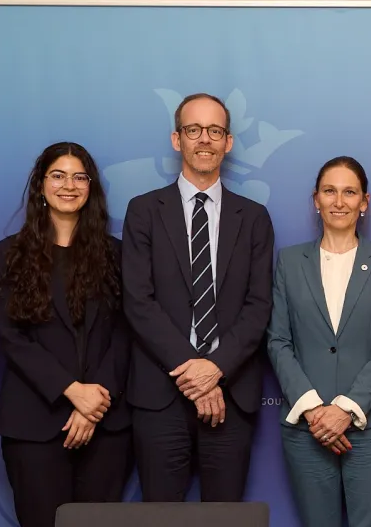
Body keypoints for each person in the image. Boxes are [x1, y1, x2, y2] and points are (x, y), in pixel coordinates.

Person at [122, 92, 275, 501]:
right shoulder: (143, 211)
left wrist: (216, 369)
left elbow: (259, 306)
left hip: (230, 394)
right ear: (177, 139)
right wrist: (196, 374)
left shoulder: (254, 218)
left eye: (215, 131)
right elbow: (138, 301)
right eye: (193, 130)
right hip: (160, 395)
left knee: (225, 518)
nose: (204, 139)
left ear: (228, 142)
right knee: (161, 518)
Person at [0, 142, 134, 526]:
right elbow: (10, 336)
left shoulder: (117, 254)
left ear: (91, 187)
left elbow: (126, 332)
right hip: (33, 422)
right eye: (58, 175)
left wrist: (94, 400)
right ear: (41, 184)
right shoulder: (10, 253)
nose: (68, 185)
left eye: (79, 177)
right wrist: (71, 390)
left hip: (106, 423)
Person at [267, 156, 371, 527]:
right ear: (316, 199)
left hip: (370, 426)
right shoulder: (289, 261)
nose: (339, 201)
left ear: (364, 202)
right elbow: (278, 341)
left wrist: (345, 409)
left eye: (349, 192)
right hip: (306, 427)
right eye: (329, 191)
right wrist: (314, 411)